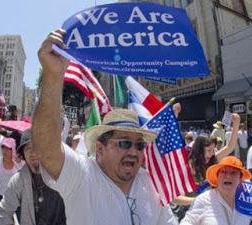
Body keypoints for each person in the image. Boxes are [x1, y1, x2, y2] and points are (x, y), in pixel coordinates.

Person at [33, 29, 177, 225]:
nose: (134, 151)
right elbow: (47, 150)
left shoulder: (151, 184)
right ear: (99, 149)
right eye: (125, 143)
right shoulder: (82, 177)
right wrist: (53, 75)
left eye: (139, 145)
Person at [0, 129, 66, 225]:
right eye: (28, 149)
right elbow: (3, 211)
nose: (33, 153)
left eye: (37, 147)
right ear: (23, 155)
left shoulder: (61, 174)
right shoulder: (18, 181)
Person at [180, 156, 252, 225]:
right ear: (217, 177)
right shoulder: (204, 200)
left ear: (240, 179)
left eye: (233, 172)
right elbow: (187, 222)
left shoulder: (246, 200)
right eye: (223, 172)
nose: (228, 176)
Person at [0, 138, 19, 203]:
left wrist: (21, 163)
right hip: (2, 196)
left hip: (16, 197)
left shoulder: (18, 162)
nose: (4, 150)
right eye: (3, 147)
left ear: (13, 149)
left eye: (8, 148)